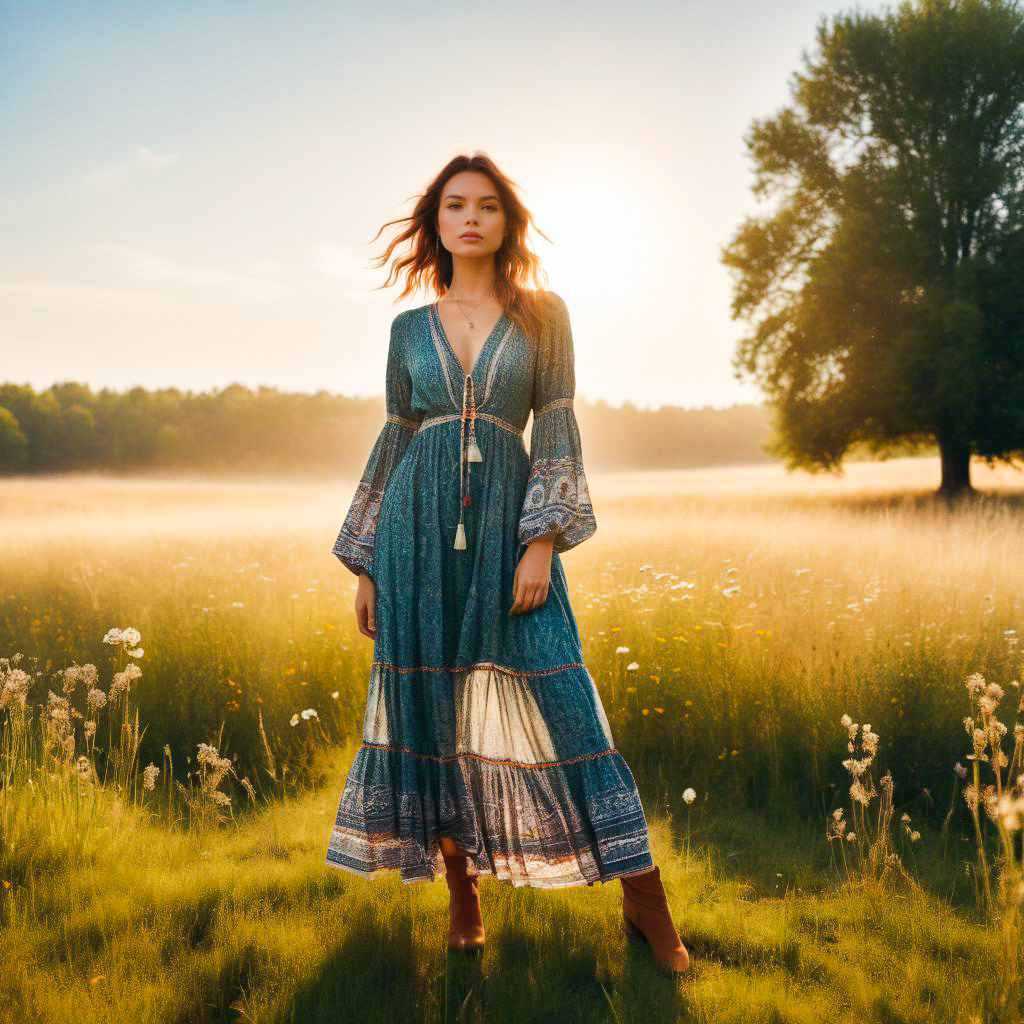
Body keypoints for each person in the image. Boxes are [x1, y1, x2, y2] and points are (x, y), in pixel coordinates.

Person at [325, 152, 689, 975]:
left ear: (505, 221)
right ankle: (463, 893)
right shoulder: (406, 330)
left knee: (566, 698)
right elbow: (395, 438)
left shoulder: (544, 316)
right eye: (455, 205)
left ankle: (646, 900)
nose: (471, 218)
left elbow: (555, 425)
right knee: (436, 708)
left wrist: (541, 542)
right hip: (415, 534)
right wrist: (368, 564)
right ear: (437, 222)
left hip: (509, 531)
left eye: (487, 205)